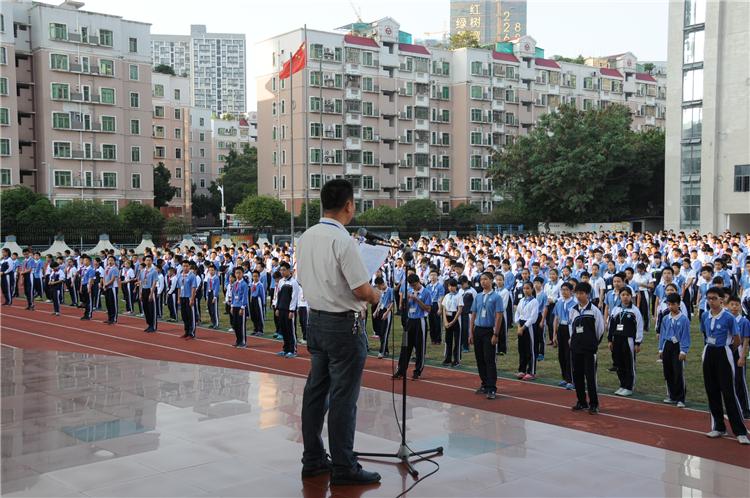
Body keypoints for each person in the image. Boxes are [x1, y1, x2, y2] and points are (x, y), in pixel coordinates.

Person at [297, 179, 382, 485]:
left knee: (315, 393)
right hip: (344, 325)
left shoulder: (305, 237)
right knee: (343, 397)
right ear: (348, 205)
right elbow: (360, 289)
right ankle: (344, 467)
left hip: (316, 322)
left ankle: (314, 459)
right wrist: (376, 296)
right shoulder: (342, 240)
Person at [700, 287, 749, 444]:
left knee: (728, 391)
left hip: (724, 352)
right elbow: (704, 334)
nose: (711, 301)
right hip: (709, 352)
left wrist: (728, 350)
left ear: (722, 300)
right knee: (712, 390)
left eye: (714, 298)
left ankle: (740, 431)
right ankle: (718, 426)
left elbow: (737, 339)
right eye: (708, 298)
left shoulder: (728, 317)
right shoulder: (705, 316)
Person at [569, 282, 605, 414]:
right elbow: (570, 327)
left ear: (587, 294)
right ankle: (581, 401)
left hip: (589, 349)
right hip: (576, 348)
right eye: (577, 293)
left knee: (590, 377)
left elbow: (600, 330)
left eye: (582, 293)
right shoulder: (573, 310)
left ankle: (594, 404)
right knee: (577, 376)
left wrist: (592, 343)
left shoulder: (594, 310)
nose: (579, 296)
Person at [469, 271, 503, 399]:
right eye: (481, 279)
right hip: (478, 330)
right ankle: (484, 383)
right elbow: (473, 314)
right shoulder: (478, 296)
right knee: (479, 359)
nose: (483, 281)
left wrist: (496, 334)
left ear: (491, 280)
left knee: (489, 359)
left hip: (489, 330)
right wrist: (471, 332)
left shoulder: (496, 297)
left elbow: (499, 316)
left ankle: (491, 387)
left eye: (485, 279)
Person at [393, 273, 432, 380]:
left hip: (420, 321)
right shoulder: (409, 291)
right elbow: (406, 306)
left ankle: (417, 371)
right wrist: (407, 302)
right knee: (405, 346)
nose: (413, 287)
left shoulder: (426, 292)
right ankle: (401, 370)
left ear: (419, 282)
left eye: (414, 285)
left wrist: (417, 300)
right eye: (411, 285)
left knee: (419, 347)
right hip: (409, 320)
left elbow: (428, 309)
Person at [607, 287, 643, 396]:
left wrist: (637, 342)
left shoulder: (635, 310)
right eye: (623, 295)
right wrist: (610, 339)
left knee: (629, 363)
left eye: (627, 295)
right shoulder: (616, 309)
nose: (625, 297)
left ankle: (629, 386)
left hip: (629, 340)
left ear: (631, 296)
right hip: (617, 339)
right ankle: (622, 385)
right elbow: (611, 325)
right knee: (619, 363)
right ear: (620, 296)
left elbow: (639, 326)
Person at [658, 293, 691, 407]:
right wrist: (661, 349)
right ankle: (672, 395)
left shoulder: (684, 320)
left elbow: (685, 336)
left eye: (673, 304)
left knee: (678, 372)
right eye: (669, 304)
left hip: (678, 346)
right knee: (668, 371)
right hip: (667, 345)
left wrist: (683, 351)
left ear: (678, 304)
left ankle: (680, 398)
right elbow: (662, 334)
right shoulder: (666, 318)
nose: (671, 306)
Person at [727, 295, 750, 419]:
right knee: (730, 379)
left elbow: (746, 339)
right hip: (728, 350)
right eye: (732, 304)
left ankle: (746, 408)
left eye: (737, 305)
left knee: (740, 380)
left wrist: (743, 356)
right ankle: (734, 407)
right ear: (727, 306)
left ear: (740, 306)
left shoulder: (744, 321)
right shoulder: (727, 319)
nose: (734, 307)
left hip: (739, 351)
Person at [274, 261, 300, 358]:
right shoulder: (281, 282)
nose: (282, 272)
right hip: (281, 309)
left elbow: (294, 298)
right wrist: (277, 308)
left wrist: (292, 310)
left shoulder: (294, 283)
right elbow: (278, 296)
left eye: (284, 270)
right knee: (284, 330)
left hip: (289, 311)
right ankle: (285, 349)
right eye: (281, 270)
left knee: (291, 330)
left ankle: (293, 350)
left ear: (289, 270)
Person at [552, 282, 576, 390]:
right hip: (561, 328)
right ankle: (565, 377)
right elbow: (556, 318)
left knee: (569, 355)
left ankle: (571, 379)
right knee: (561, 354)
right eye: (562, 290)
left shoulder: (575, 303)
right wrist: (554, 334)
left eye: (566, 290)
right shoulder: (559, 302)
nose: (564, 292)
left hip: (570, 329)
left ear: (571, 291)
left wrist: (573, 335)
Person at [515, 281, 539, 380]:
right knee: (522, 349)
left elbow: (533, 317)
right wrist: (518, 326)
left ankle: (531, 371)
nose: (525, 290)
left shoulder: (534, 302)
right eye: (524, 288)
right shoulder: (521, 300)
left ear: (532, 289)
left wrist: (524, 327)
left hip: (529, 327)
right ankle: (522, 369)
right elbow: (517, 313)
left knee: (530, 349)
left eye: (528, 288)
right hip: (520, 325)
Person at [441, 277, 463, 366]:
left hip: (456, 318)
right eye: (449, 286)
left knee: (457, 340)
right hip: (447, 316)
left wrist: (453, 321)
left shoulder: (459, 296)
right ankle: (448, 358)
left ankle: (457, 359)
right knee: (448, 339)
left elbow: (459, 309)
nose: (451, 288)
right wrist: (445, 321)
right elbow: (443, 308)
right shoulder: (446, 296)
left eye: (453, 286)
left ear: (456, 286)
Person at [372, 276, 393, 359]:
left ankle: (382, 351)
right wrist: (376, 311)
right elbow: (381, 301)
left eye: (378, 286)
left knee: (385, 333)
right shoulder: (382, 291)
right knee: (381, 332)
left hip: (387, 312)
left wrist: (387, 313)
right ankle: (386, 350)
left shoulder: (390, 290)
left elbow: (392, 302)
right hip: (381, 311)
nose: (378, 288)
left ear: (381, 284)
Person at [177, 260, 197, 338]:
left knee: (190, 316)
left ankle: (191, 332)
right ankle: (186, 331)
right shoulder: (179, 275)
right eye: (184, 266)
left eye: (186, 266)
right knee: (184, 315)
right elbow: (178, 288)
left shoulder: (192, 276)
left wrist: (192, 299)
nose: (185, 268)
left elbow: (193, 287)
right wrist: (178, 298)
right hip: (182, 297)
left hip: (189, 298)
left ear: (189, 266)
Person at [139, 255, 159, 333]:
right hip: (144, 289)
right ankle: (149, 324)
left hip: (150, 290)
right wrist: (140, 293)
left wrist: (151, 293)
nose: (148, 262)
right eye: (146, 260)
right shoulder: (142, 271)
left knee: (151, 308)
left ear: (152, 261)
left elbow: (154, 282)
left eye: (149, 260)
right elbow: (141, 282)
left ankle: (153, 326)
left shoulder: (154, 271)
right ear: (144, 261)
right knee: (146, 308)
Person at [230, 267, 248, 347]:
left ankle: (243, 341)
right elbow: (233, 295)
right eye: (236, 273)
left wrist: (242, 307)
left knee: (241, 325)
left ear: (242, 274)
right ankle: (238, 340)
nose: (238, 275)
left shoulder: (244, 284)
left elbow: (245, 296)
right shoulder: (234, 284)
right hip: (235, 306)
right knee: (235, 324)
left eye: (239, 273)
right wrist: (232, 306)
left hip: (241, 307)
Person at [102, 256, 119, 325]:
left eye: (111, 260)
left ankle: (114, 319)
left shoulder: (115, 269)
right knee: (108, 303)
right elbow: (104, 277)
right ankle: (109, 318)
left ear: (114, 261)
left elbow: (112, 279)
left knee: (113, 303)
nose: (110, 261)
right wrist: (104, 284)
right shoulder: (106, 268)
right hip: (107, 287)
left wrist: (106, 285)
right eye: (109, 260)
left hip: (113, 288)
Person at [249, 269, 266, 336]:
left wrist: (263, 302)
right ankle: (255, 329)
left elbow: (263, 294)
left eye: (256, 276)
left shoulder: (260, 285)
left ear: (259, 277)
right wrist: (250, 299)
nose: (255, 278)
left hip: (258, 300)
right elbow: (251, 292)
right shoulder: (251, 284)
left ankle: (260, 330)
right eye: (254, 276)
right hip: (252, 299)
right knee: (253, 315)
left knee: (259, 315)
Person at [78, 256, 95, 320]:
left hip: (88, 285)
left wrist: (89, 288)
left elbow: (90, 279)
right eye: (83, 260)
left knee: (89, 301)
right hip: (84, 285)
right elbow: (82, 279)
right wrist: (81, 287)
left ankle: (89, 315)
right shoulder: (83, 269)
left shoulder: (91, 269)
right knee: (85, 301)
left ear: (89, 261)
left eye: (85, 260)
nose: (83, 262)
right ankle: (85, 314)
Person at [205, 265, 221, 329]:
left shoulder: (216, 278)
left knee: (214, 309)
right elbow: (207, 287)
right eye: (210, 270)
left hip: (214, 294)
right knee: (210, 309)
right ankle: (213, 322)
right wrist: (206, 296)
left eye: (212, 270)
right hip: (209, 293)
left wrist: (215, 297)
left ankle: (216, 323)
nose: (211, 272)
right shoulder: (209, 278)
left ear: (215, 271)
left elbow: (217, 288)